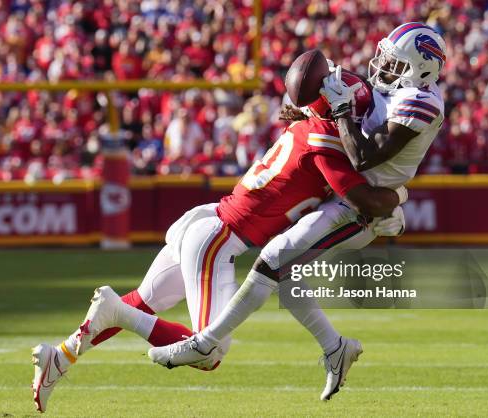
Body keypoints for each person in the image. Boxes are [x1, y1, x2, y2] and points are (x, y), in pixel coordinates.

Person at [31, 73, 407, 413]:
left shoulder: (306, 125)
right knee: (209, 352)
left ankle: (60, 357)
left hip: (205, 220)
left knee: (144, 301)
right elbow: (365, 201)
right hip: (218, 238)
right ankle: (116, 312)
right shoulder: (325, 143)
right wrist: (399, 201)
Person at [148, 22, 447, 402]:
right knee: (288, 279)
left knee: (273, 260)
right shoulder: (394, 89)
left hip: (360, 207)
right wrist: (311, 112)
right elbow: (355, 112)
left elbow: (363, 155)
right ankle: (336, 348)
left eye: (394, 61)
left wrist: (338, 112)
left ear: (422, 68)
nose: (383, 65)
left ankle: (205, 342)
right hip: (348, 196)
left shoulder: (421, 102)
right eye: (384, 56)